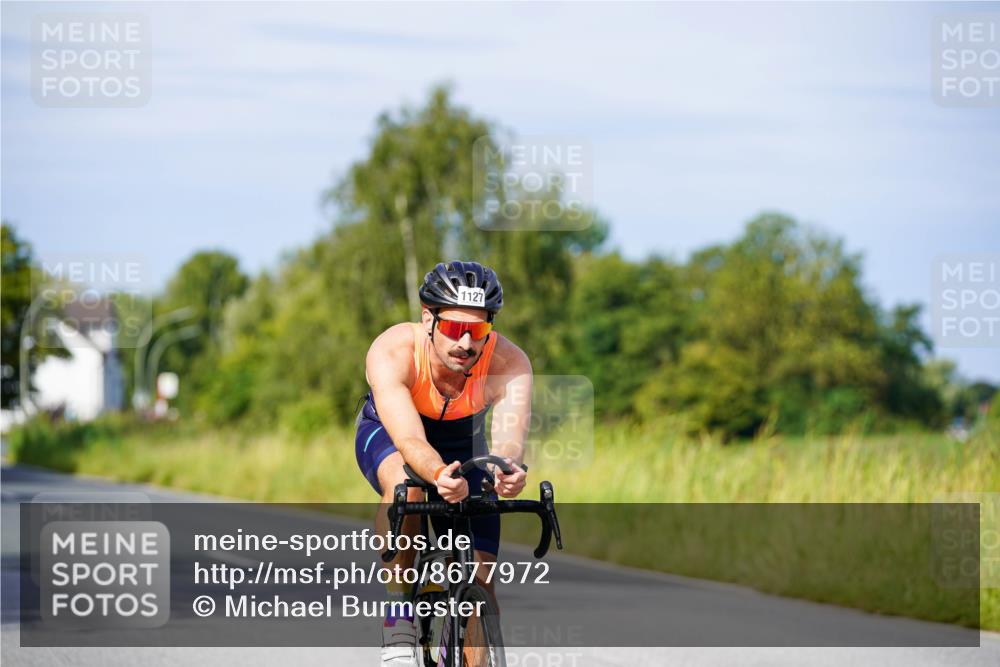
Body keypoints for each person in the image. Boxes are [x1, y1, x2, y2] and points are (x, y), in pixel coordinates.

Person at [355, 261, 532, 666]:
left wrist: (508, 471)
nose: (466, 343)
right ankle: (398, 617)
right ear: (428, 319)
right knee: (407, 484)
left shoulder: (509, 362)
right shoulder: (394, 350)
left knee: (482, 585)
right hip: (391, 434)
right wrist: (436, 475)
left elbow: (508, 441)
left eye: (479, 330)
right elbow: (412, 440)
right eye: (454, 328)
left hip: (462, 444)